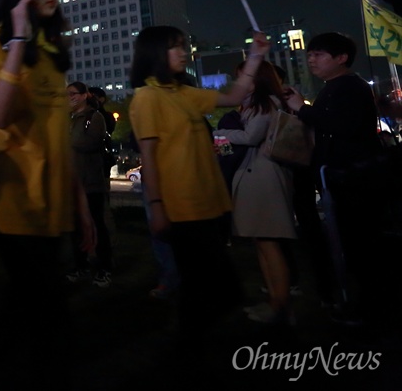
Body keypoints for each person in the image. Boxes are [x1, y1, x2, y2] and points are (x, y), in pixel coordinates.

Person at [0, 0, 95, 388]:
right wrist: (18, 40)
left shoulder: (51, 56)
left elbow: (56, 135)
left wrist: (81, 206)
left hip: (53, 201)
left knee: (31, 304)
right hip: (14, 199)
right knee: (43, 305)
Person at [129, 24, 269, 346]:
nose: (183, 52)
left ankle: (189, 343)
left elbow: (233, 96)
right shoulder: (147, 98)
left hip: (209, 203)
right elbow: (148, 157)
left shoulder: (183, 93)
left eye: (183, 45)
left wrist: (255, 58)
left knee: (209, 285)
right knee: (210, 285)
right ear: (155, 54)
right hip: (183, 207)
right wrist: (157, 206)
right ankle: (187, 347)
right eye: (174, 47)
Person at [284, 32, 383, 325]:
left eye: (319, 54)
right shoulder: (333, 87)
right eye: (310, 54)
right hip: (340, 178)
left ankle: (370, 309)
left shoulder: (349, 87)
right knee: (350, 245)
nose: (311, 58)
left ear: (341, 58)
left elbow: (342, 126)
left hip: (354, 179)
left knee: (360, 246)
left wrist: (302, 109)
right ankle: (360, 303)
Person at [213, 61, 297, 325]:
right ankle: (274, 299)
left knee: (269, 243)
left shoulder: (266, 103)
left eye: (245, 77)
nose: (241, 82)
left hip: (263, 177)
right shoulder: (254, 104)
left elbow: (250, 137)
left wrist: (218, 134)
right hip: (254, 175)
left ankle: (280, 304)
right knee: (262, 243)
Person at [66, 81, 113, 288]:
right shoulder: (68, 119)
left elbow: (90, 143)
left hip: (91, 181)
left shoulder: (95, 117)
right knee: (75, 228)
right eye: (67, 95)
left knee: (97, 226)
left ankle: (104, 268)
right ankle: (80, 265)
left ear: (85, 95)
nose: (70, 98)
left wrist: (64, 140)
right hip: (72, 182)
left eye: (74, 94)